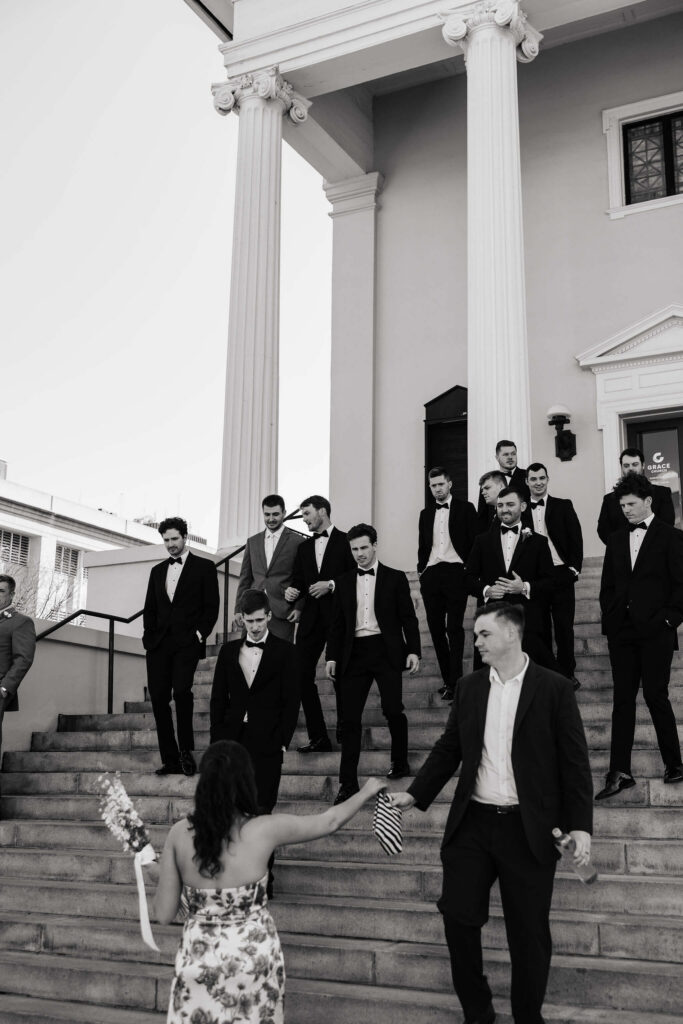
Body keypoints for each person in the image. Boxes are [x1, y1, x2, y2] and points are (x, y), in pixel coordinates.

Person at [389, 602, 593, 1024]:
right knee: (458, 919)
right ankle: (478, 1012)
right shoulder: (469, 687)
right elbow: (450, 748)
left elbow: (574, 763)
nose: (476, 642)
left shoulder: (554, 688)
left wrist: (581, 827)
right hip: (473, 826)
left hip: (529, 829)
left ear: (511, 634)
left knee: (529, 934)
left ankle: (527, 1017)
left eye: (484, 634)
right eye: (476, 635)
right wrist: (415, 793)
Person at [151, 740, 386, 1024]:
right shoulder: (264, 829)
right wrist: (366, 791)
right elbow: (329, 821)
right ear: (246, 781)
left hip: (199, 963)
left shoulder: (179, 834)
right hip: (254, 961)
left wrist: (155, 872)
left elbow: (164, 914)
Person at [596, 473, 683, 799]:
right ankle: (619, 772)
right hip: (622, 632)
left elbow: (681, 585)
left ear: (648, 501)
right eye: (622, 506)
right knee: (622, 700)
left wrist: (668, 620)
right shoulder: (616, 539)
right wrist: (611, 619)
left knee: (656, 695)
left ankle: (674, 764)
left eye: (631, 504)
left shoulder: (672, 537)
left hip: (657, 631)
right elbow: (607, 586)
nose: (626, 510)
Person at [326, 524, 421, 803]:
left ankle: (400, 762)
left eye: (364, 547)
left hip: (385, 650)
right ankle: (347, 783)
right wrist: (331, 656)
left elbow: (408, 618)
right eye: (354, 549)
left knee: (393, 709)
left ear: (375, 545)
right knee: (349, 719)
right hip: (353, 653)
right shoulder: (343, 581)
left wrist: (413, 651)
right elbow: (337, 624)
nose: (360, 554)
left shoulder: (395, 578)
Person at [143, 516, 219, 777]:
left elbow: (212, 606)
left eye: (174, 539)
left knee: (182, 692)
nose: (170, 544)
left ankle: (186, 752)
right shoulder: (157, 571)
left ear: (185, 537)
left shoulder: (205, 567)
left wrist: (199, 634)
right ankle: (170, 759)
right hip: (158, 645)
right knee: (158, 699)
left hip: (187, 642)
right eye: (166, 540)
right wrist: (149, 637)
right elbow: (150, 608)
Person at [284, 495, 355, 752]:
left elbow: (355, 575)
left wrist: (332, 585)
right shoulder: (304, 548)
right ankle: (319, 737)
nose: (304, 520)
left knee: (340, 675)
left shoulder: (347, 541)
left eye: (307, 514)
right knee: (300, 675)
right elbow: (299, 580)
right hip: (311, 619)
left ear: (322, 512)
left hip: (339, 618)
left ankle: (346, 729)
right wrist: (292, 591)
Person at [465, 487, 559, 671]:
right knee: (490, 679)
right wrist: (487, 590)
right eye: (500, 505)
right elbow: (467, 578)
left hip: (527, 624)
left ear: (523, 507)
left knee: (530, 679)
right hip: (491, 621)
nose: (504, 509)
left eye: (510, 504)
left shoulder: (539, 542)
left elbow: (551, 581)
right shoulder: (482, 541)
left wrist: (524, 587)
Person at [417, 467, 479, 701]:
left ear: (450, 484)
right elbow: (423, 545)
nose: (437, 489)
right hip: (431, 573)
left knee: (454, 628)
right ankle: (448, 681)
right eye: (433, 485)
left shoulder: (466, 508)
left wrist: (469, 569)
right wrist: (421, 570)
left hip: (456, 571)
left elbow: (474, 541)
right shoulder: (425, 514)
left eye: (441, 484)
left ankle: (457, 680)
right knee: (435, 629)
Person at [526, 462, 583, 688]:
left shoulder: (563, 505)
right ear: (527, 482)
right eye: (533, 479)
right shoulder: (521, 509)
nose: (538, 482)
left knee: (564, 628)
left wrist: (574, 569)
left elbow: (575, 537)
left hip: (561, 574)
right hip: (535, 578)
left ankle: (567, 674)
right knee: (539, 629)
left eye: (542, 478)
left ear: (547, 479)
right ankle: (548, 673)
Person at [234, 494, 305, 642]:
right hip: (252, 609)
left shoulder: (298, 542)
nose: (271, 519)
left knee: (280, 655)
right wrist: (238, 609)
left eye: (275, 514)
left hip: (282, 610)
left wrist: (298, 607)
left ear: (284, 513)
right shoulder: (252, 542)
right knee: (248, 653)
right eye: (267, 514)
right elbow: (245, 578)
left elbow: (303, 578)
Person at [597, 447, 675, 544]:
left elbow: (667, 524)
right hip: (622, 551)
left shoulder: (662, 492)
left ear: (643, 465)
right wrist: (618, 547)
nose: (631, 468)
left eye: (635, 464)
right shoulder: (609, 499)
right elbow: (603, 530)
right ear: (621, 468)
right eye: (626, 465)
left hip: (655, 549)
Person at [0, 574, 36, 763]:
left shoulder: (20, 621)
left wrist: (5, 687)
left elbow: (23, 658)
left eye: (1, 591)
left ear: (11, 595)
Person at [476, 440, 529, 527]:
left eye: (513, 454)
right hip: (494, 531)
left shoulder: (527, 476)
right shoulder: (487, 481)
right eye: (506, 454)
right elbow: (482, 516)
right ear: (497, 457)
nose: (510, 457)